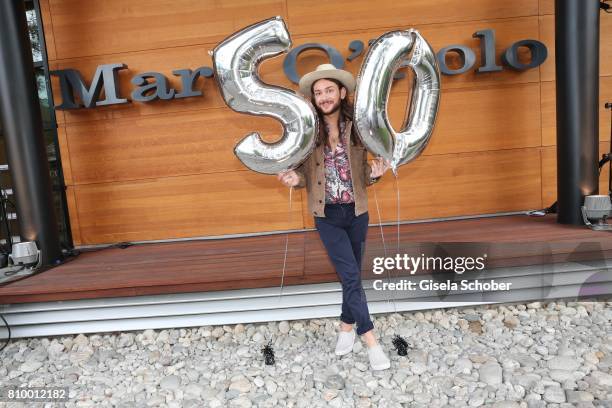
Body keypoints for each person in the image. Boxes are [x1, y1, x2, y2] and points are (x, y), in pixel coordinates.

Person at [277, 64, 392, 370]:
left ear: (342, 93)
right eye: (318, 92)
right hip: (326, 215)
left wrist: (377, 173)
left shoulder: (360, 127)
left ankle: (345, 327)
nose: (324, 97)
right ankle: (371, 342)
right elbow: (302, 173)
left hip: (357, 212)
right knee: (352, 276)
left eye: (329, 90)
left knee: (350, 275)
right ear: (313, 99)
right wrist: (294, 180)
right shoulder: (307, 131)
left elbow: (367, 170)